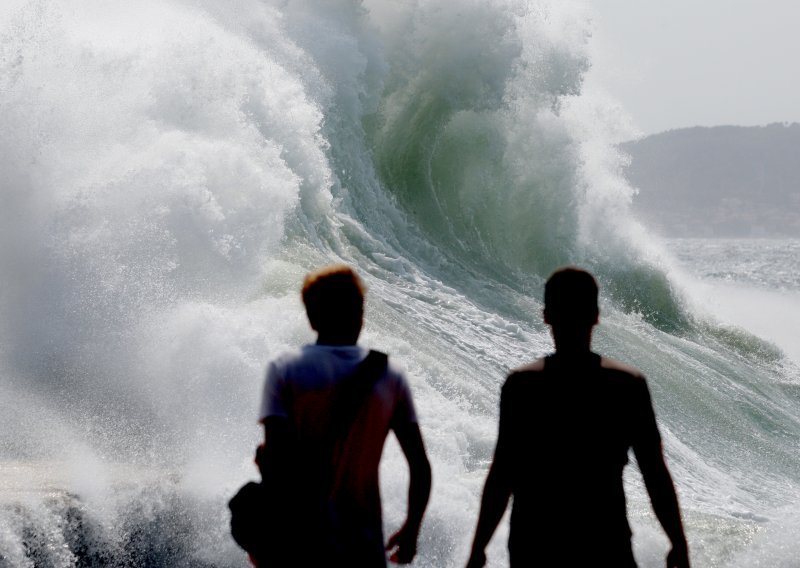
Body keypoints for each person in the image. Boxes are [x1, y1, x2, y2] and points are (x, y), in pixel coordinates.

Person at [465, 267, 690, 568]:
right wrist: (677, 542)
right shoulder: (626, 385)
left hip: (535, 546)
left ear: (546, 315)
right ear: (596, 315)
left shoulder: (522, 386)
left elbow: (502, 474)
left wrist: (479, 548)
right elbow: (655, 473)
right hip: (604, 544)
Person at [256, 265, 431, 567]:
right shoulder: (388, 375)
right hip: (362, 545)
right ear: (360, 314)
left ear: (311, 317)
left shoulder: (286, 370)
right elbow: (419, 465)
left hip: (299, 542)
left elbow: (275, 462)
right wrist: (412, 529)